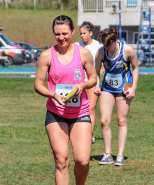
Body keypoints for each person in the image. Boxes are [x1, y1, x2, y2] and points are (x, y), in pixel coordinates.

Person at [34, 15, 97, 185]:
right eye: (57, 34)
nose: (61, 37)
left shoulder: (83, 54)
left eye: (65, 33)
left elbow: (93, 78)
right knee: (61, 160)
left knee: (82, 160)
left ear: (73, 31)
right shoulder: (47, 56)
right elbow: (38, 85)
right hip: (56, 113)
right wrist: (53, 95)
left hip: (80, 112)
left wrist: (82, 86)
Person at [95, 27, 139, 166]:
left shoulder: (127, 50)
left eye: (109, 45)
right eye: (104, 45)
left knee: (121, 121)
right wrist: (96, 85)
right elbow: (96, 70)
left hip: (123, 89)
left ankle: (119, 155)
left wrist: (133, 87)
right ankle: (108, 155)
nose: (106, 48)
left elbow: (136, 68)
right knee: (104, 121)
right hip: (107, 88)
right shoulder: (101, 51)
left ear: (115, 41)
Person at [75, 21, 104, 144]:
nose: (82, 36)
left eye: (84, 33)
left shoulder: (98, 46)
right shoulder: (76, 46)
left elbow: (104, 64)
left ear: (91, 33)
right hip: (79, 82)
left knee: (91, 109)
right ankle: (82, 133)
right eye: (80, 33)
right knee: (80, 109)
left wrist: (98, 73)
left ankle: (89, 135)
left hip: (92, 82)